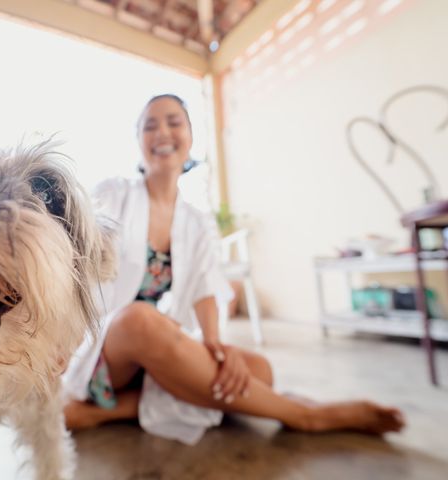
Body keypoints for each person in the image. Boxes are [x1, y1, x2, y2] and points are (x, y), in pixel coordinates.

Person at [62, 94, 404, 443]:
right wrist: (56, 346)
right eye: (150, 126)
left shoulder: (195, 221)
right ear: (139, 142)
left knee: (258, 372)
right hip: (105, 349)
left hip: (152, 347)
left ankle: (105, 412)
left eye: (174, 122)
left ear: (191, 137)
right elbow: (72, 268)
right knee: (139, 319)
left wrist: (215, 348)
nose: (162, 132)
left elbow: (205, 287)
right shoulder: (112, 194)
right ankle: (304, 414)